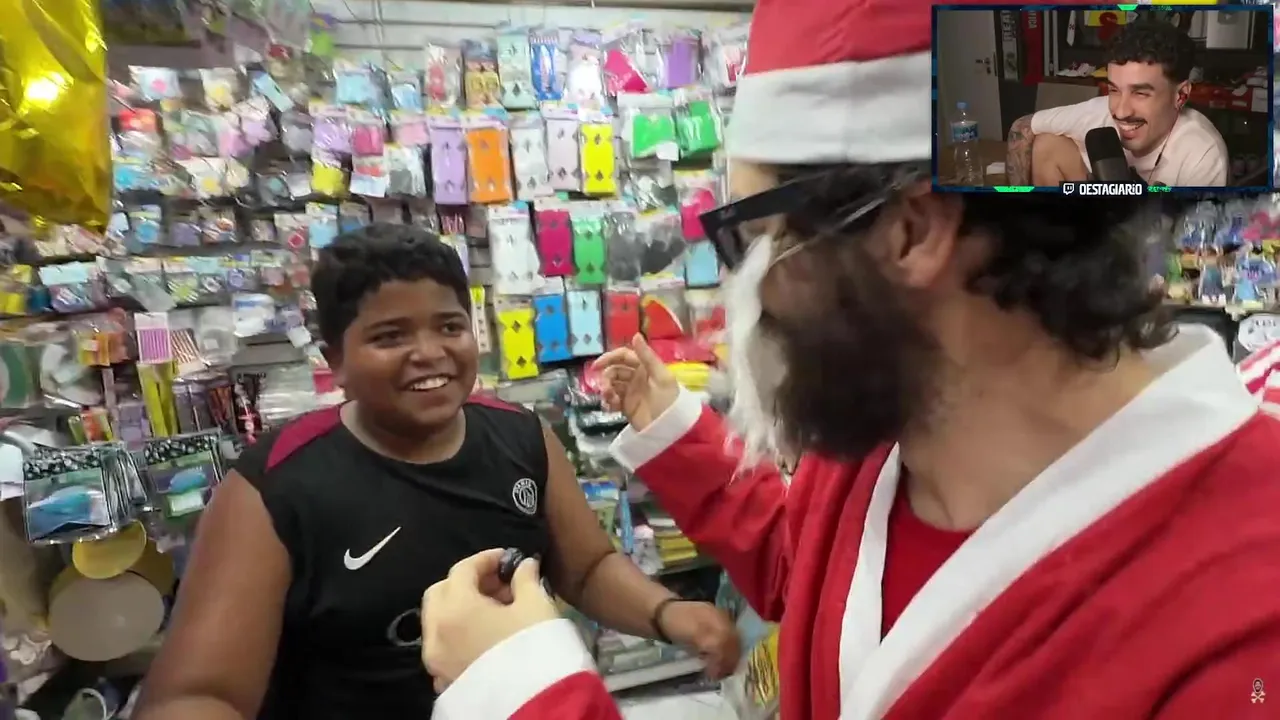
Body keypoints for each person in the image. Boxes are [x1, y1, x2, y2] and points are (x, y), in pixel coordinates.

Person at [421, 0, 1280, 717]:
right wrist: (674, 430)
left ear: (908, 232)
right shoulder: (897, 428)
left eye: (754, 235)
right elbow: (815, 580)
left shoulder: (1241, 632)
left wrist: (526, 699)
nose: (737, 298)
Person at [132, 226, 738, 720]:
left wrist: (668, 613)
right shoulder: (276, 485)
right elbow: (197, 696)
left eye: (449, 326)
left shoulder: (521, 436)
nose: (430, 353)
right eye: (390, 336)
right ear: (335, 361)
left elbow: (586, 567)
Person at [1006, 19, 1228, 187]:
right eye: (1114, 89)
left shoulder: (1203, 154)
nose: (1120, 112)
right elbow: (1022, 127)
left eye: (1140, 93)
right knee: (1047, 144)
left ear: (1180, 96)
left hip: (1158, 229)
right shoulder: (1097, 111)